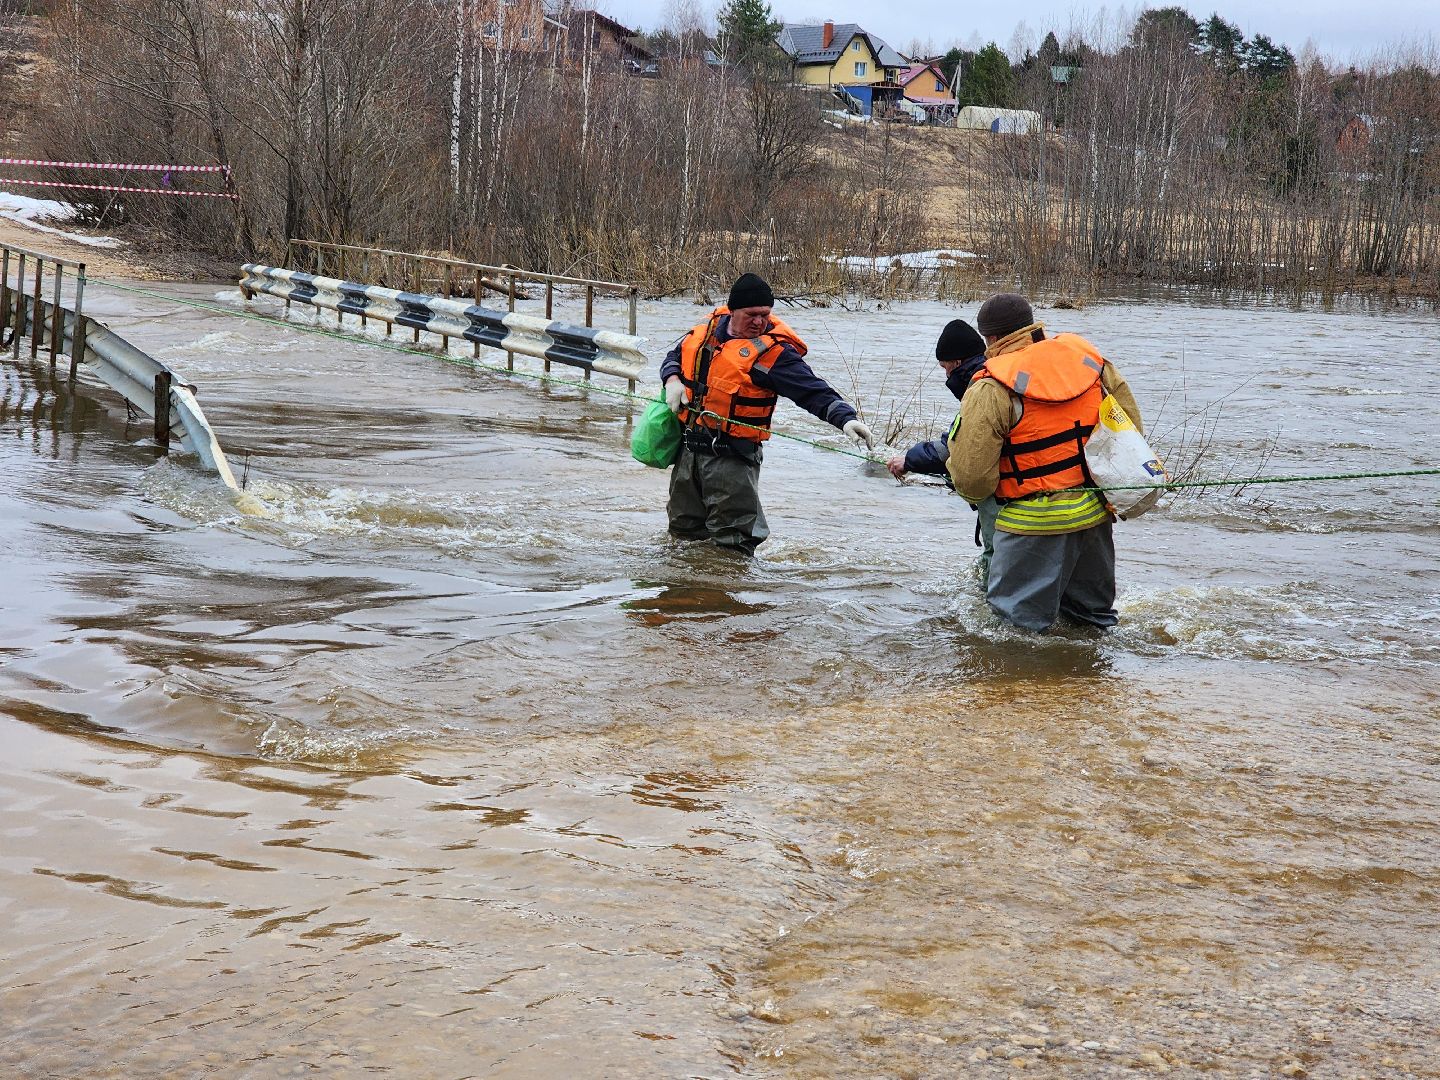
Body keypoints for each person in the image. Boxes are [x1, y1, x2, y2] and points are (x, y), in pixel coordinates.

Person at [947, 292, 1145, 632]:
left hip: (1028, 528)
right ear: (1031, 325)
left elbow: (973, 480)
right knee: (1092, 626)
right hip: (1094, 520)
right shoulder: (1091, 362)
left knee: (1014, 635)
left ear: (990, 338)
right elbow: (1131, 433)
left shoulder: (990, 386)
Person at [660, 273, 873, 553]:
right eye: (751, 315)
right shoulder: (706, 332)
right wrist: (672, 379)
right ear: (732, 310)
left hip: (733, 460)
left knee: (734, 543)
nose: (759, 322)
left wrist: (845, 419)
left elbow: (812, 391)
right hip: (688, 453)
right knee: (682, 534)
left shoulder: (773, 354)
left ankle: (730, 581)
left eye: (765, 315)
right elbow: (674, 357)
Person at [884, 318, 1000, 584]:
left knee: (996, 568)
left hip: (1005, 502)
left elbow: (953, 447)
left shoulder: (982, 386)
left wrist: (908, 460)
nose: (945, 375)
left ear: (956, 363)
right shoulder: (999, 374)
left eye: (944, 366)